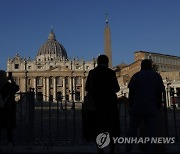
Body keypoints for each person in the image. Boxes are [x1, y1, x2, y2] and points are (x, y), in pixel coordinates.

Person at [126, 59, 165, 153]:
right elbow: (159, 93)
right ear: (150, 66)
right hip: (151, 106)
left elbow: (131, 93)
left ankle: (128, 149)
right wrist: (158, 105)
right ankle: (149, 150)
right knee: (151, 132)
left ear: (141, 66)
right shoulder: (156, 76)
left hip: (137, 106)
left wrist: (130, 105)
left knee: (132, 130)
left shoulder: (136, 76)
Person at [85, 55, 120, 154]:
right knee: (111, 127)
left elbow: (87, 88)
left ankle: (100, 149)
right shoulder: (111, 72)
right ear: (107, 62)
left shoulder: (92, 73)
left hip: (97, 104)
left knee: (98, 128)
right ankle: (112, 149)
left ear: (97, 62)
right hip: (110, 104)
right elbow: (117, 88)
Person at [0, 70, 19, 147]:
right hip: (8, 110)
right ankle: (10, 143)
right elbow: (16, 88)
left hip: (0, 110)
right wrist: (11, 80)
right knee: (9, 128)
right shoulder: (8, 85)